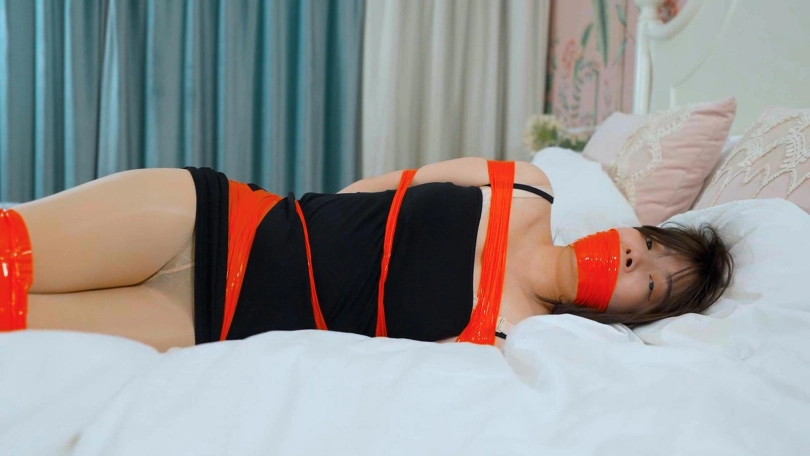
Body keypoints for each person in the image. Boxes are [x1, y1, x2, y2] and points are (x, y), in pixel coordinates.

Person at [0, 158, 733, 352]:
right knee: (9, 249)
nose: (637, 264)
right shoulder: (528, 187)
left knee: (10, 318)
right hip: (212, 218)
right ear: (632, 229)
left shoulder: (514, 336)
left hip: (207, 323)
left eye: (652, 288)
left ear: (629, 316)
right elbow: (372, 190)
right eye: (649, 246)